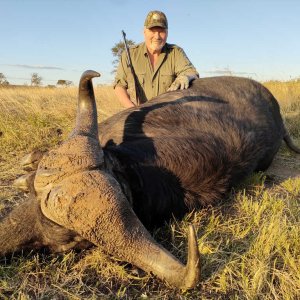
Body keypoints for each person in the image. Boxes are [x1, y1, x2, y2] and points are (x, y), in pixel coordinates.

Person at [114, 10, 199, 108]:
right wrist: (132, 109)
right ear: (144, 32)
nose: (157, 36)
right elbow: (119, 85)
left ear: (167, 33)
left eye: (161, 31)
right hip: (137, 115)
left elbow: (192, 72)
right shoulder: (129, 54)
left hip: (168, 115)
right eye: (153, 31)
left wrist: (186, 77)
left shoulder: (176, 52)